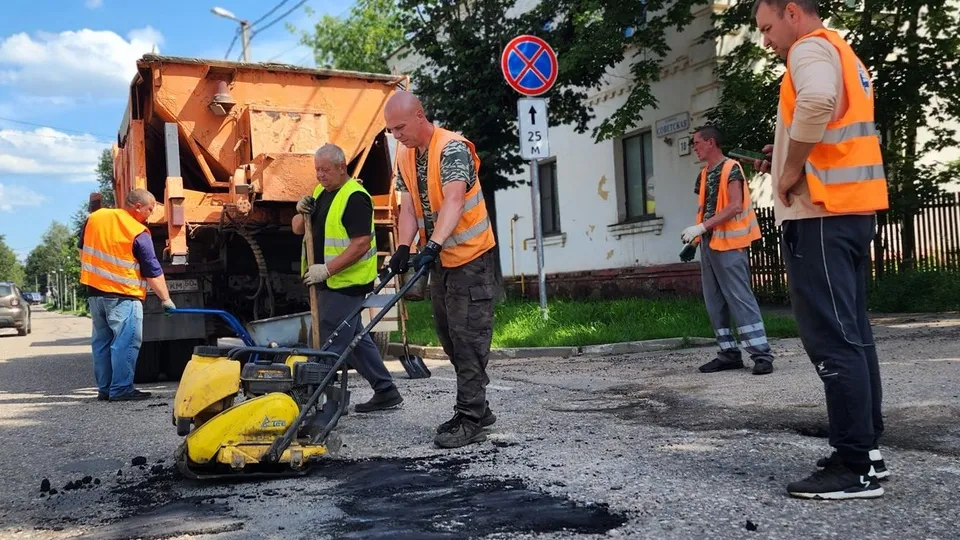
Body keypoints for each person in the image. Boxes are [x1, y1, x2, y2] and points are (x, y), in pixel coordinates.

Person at [753, 0, 890, 499]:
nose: (766, 40)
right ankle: (866, 453)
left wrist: (788, 174)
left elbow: (815, 105)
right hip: (851, 212)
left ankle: (852, 466)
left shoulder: (808, 51)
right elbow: (829, 125)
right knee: (854, 336)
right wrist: (787, 152)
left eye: (768, 27)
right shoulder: (842, 51)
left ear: (793, 11)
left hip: (821, 218)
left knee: (832, 339)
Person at [384, 90, 497, 449]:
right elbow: (406, 208)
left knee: (468, 338)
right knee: (449, 335)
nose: (396, 135)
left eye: (400, 127)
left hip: (470, 257)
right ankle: (480, 405)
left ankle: (470, 417)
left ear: (420, 115)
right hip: (442, 261)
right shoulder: (404, 155)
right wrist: (403, 247)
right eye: (390, 130)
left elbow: (453, 200)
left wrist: (432, 244)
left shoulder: (451, 149)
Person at [293, 143, 403, 413]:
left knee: (325, 343)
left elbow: (360, 244)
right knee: (354, 340)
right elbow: (298, 228)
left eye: (325, 170)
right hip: (326, 281)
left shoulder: (355, 197)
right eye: (317, 170)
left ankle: (319, 404)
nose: (320, 175)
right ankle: (386, 391)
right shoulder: (321, 192)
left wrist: (327, 269)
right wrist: (300, 211)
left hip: (345, 283)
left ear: (342, 167)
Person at [682, 125, 774, 376]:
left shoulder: (731, 168)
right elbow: (706, 208)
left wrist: (701, 227)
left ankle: (761, 355)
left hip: (730, 245)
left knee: (740, 298)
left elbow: (734, 206)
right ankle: (728, 354)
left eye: (697, 143)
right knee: (715, 301)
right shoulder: (703, 174)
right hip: (709, 244)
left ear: (711, 143)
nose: (695, 148)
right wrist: (696, 237)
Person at [78, 188, 175, 401]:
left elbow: (81, 249)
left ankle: (105, 389)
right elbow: (152, 270)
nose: (151, 214)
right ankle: (121, 389)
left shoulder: (95, 218)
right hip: (124, 296)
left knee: (102, 343)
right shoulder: (137, 231)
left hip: (95, 294)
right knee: (126, 342)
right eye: (150, 209)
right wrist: (166, 299)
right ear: (138, 206)